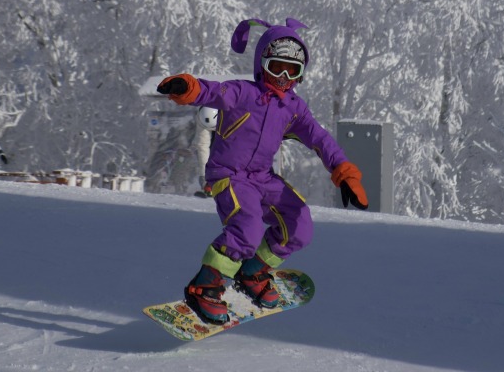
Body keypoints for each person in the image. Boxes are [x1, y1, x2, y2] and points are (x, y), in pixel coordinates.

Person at [156, 17, 368, 324]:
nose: (283, 76)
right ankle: (205, 285)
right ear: (261, 64)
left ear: (301, 74)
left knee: (299, 225)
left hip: (262, 177)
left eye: (292, 70)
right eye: (276, 67)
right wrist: (187, 87)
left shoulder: (293, 108)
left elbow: (319, 138)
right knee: (247, 229)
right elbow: (210, 92)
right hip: (229, 175)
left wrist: (344, 171)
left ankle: (253, 272)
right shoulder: (242, 93)